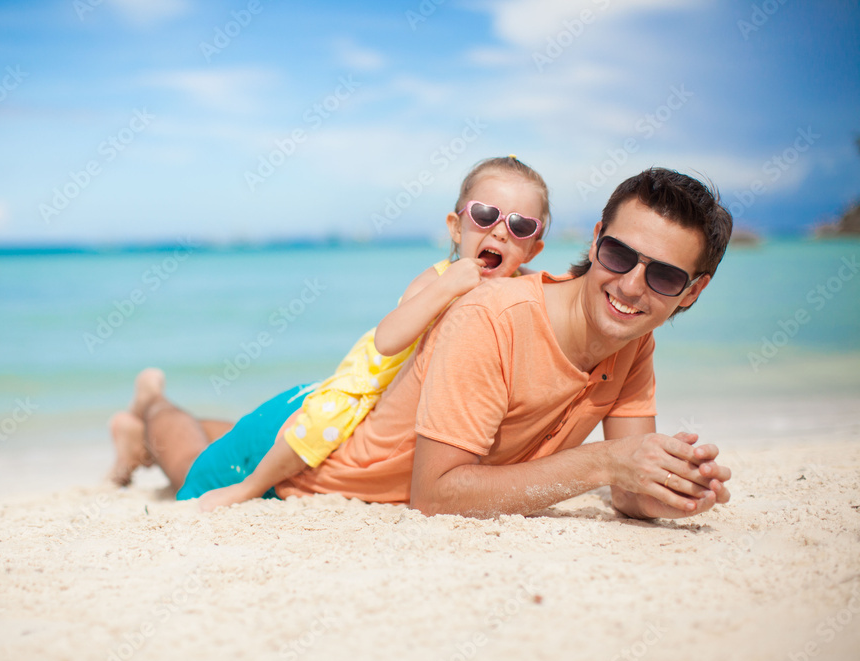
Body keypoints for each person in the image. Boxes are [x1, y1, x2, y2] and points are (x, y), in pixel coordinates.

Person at [112, 167, 733, 521]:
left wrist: (672, 486)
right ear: (597, 238)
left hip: (349, 424)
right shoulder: (488, 315)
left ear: (693, 292)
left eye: (664, 275)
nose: (629, 286)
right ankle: (148, 416)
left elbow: (627, 487)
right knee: (188, 461)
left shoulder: (632, 344)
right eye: (620, 253)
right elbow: (435, 494)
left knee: (234, 426)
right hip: (303, 463)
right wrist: (603, 463)